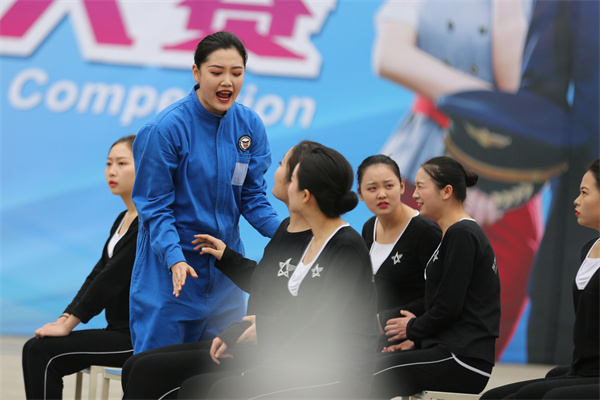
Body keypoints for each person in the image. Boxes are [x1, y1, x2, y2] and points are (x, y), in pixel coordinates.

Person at [372, 0, 536, 357]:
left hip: (505, 164)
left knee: (501, 279)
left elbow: (514, 83)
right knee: (403, 270)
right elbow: (389, 56)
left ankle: (455, 367)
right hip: (429, 146)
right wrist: (488, 102)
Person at [121, 140, 320, 399]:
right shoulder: (285, 230)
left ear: (301, 186)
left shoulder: (320, 242)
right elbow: (267, 285)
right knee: (135, 365)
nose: (275, 170)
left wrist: (259, 334)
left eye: (283, 165)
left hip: (270, 352)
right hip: (252, 342)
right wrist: (227, 257)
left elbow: (311, 313)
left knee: (157, 374)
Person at [178, 145, 378, 399]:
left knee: (221, 391)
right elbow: (291, 308)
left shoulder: (345, 246)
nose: (284, 179)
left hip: (337, 374)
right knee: (195, 388)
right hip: (302, 360)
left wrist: (264, 363)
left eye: (292, 179)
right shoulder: (314, 240)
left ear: (305, 195)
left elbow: (322, 324)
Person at [130, 31, 281, 353]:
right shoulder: (164, 129)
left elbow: (252, 197)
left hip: (225, 276)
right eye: (216, 72)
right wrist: (174, 258)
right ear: (197, 73)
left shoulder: (250, 125)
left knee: (223, 372)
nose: (227, 81)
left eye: (237, 73)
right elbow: (155, 208)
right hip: (172, 276)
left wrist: (288, 235)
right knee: (158, 372)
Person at [370, 156, 501, 398]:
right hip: (448, 349)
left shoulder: (462, 234)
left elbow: (447, 307)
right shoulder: (452, 234)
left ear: (446, 191)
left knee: (373, 373)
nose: (415, 194)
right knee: (369, 366)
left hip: (464, 358)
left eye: (421, 186)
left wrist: (412, 328)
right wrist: (416, 341)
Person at [21, 135, 138, 400]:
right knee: (36, 347)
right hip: (117, 331)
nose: (112, 171)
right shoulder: (124, 218)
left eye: (122, 163)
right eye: (108, 163)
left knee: (41, 351)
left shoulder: (148, 222)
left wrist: (69, 324)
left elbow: (111, 280)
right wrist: (64, 318)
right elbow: (97, 274)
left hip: (138, 338)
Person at [480, 159, 599, 400]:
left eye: (584, 193)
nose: (576, 200)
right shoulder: (589, 249)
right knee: (492, 397)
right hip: (583, 369)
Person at [357, 155, 441, 350]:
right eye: (372, 188)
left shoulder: (425, 231)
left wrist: (412, 331)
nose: (382, 194)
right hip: (374, 339)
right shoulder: (369, 228)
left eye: (389, 186)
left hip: (411, 340)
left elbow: (441, 295)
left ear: (402, 186)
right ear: (360, 194)